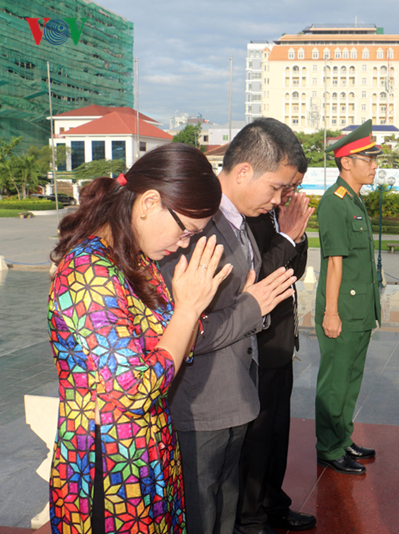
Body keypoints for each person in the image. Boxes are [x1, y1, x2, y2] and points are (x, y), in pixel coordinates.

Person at [48, 143, 232, 533]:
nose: (183, 244)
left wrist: (188, 311)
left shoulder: (134, 260)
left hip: (147, 456)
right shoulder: (89, 272)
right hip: (108, 471)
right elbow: (135, 393)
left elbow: (180, 343)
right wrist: (186, 311)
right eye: (186, 231)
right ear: (149, 202)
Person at [160, 118, 301, 534]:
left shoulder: (237, 221)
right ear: (243, 172)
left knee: (224, 509)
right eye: (275, 187)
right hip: (200, 404)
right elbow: (185, 331)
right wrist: (253, 307)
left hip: (235, 395)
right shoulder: (195, 227)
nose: (279, 201)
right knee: (201, 515)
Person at [236, 165, 316, 533]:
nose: (286, 194)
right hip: (257, 344)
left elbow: (293, 270)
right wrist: (286, 234)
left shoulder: (273, 216)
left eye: (293, 187)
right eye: (284, 186)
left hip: (280, 341)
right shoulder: (243, 218)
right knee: (257, 436)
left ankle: (272, 503)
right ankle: (250, 516)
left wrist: (295, 236)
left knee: (277, 433)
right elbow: (259, 278)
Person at [315, 119, 382, 475]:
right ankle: (328, 447)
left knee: (351, 379)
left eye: (374, 159)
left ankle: (343, 438)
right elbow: (335, 264)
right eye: (368, 159)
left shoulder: (354, 199)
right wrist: (330, 312)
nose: (374, 165)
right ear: (346, 162)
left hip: (359, 309)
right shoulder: (334, 202)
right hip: (341, 309)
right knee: (334, 381)